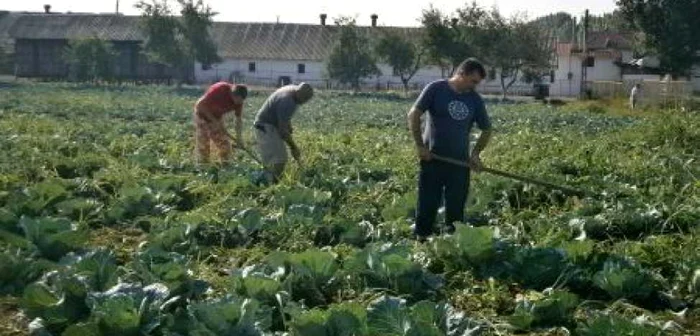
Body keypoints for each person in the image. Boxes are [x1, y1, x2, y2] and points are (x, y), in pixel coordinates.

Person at [407, 58, 493, 241]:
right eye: (473, 81)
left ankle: (452, 246)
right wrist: (420, 146)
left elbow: (487, 129)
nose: (474, 86)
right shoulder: (436, 89)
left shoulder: (474, 99)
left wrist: (475, 154)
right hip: (433, 160)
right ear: (461, 74)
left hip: (460, 164)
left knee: (456, 209)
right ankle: (421, 242)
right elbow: (414, 114)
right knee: (427, 205)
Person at [253, 82, 314, 183]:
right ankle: (271, 185)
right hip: (265, 127)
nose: (303, 103)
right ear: (298, 93)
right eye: (304, 99)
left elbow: (282, 117)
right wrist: (293, 146)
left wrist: (288, 125)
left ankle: (268, 181)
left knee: (274, 159)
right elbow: (282, 131)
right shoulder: (287, 101)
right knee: (279, 159)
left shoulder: (292, 91)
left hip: (270, 125)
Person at [193, 81, 248, 164]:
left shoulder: (239, 102)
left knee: (224, 144)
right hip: (202, 115)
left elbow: (238, 120)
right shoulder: (220, 90)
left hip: (217, 116)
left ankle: (225, 165)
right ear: (233, 95)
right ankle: (203, 166)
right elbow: (200, 105)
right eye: (238, 100)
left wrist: (239, 138)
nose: (238, 103)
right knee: (204, 145)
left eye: (241, 101)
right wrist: (214, 121)